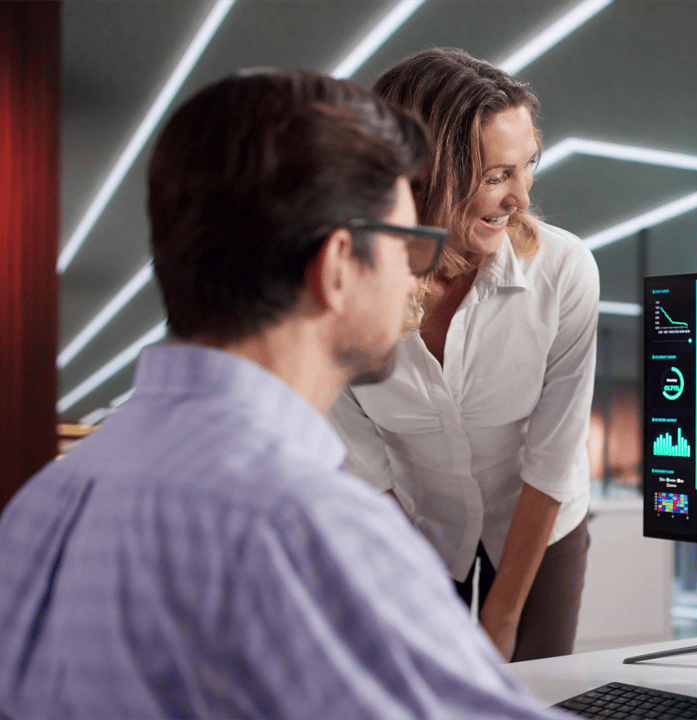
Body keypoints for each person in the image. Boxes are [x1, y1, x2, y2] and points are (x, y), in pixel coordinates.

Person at [0, 69, 566, 719]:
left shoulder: (44, 506)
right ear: (336, 268)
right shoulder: (305, 526)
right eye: (409, 245)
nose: (418, 274)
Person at [329, 47, 599, 662]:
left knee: (532, 685)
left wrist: (501, 620)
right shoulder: (344, 291)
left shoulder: (564, 271)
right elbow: (368, 476)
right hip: (415, 522)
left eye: (528, 166)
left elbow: (553, 457)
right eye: (495, 176)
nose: (522, 199)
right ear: (418, 177)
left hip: (535, 516)